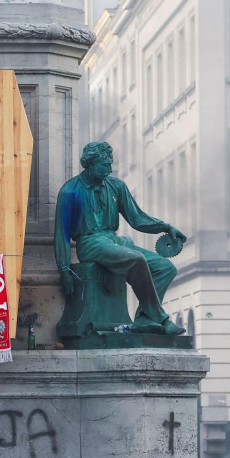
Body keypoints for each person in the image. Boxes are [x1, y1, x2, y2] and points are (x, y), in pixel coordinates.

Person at [55, 141, 186, 335]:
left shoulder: (117, 186)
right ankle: (161, 318)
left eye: (111, 163)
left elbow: (137, 218)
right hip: (89, 242)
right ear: (90, 164)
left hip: (114, 241)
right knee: (136, 259)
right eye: (105, 164)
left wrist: (166, 227)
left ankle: (144, 318)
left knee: (166, 268)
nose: (110, 168)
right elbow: (62, 234)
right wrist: (64, 268)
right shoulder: (70, 191)